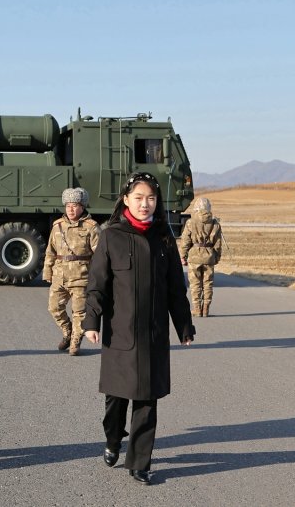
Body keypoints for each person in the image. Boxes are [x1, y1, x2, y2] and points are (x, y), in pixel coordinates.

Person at [82, 171, 194, 485]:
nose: (145, 204)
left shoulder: (164, 238)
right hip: (119, 333)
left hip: (153, 334)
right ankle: (113, 438)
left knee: (147, 398)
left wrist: (184, 326)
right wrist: (91, 321)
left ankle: (140, 462)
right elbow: (97, 284)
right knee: (116, 398)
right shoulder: (112, 236)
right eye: (139, 198)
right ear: (126, 200)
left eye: (151, 198)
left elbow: (176, 288)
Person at [42, 188, 100, 356]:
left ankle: (75, 341)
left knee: (79, 312)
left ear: (82, 207)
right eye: (68, 206)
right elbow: (50, 251)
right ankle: (68, 331)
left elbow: (100, 255)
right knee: (54, 308)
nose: (71, 209)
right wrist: (47, 272)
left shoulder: (91, 227)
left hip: (81, 277)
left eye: (74, 206)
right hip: (59, 276)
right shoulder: (57, 226)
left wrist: (97, 277)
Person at [179, 197, 223, 317]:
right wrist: (217, 257)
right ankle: (206, 309)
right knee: (208, 283)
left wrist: (183, 256)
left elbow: (185, 241)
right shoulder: (215, 224)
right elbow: (218, 244)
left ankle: (197, 309)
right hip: (209, 257)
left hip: (194, 257)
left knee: (195, 284)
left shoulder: (190, 222)